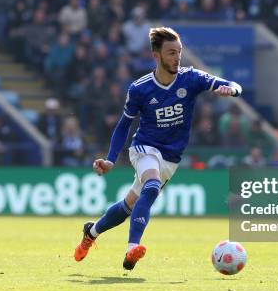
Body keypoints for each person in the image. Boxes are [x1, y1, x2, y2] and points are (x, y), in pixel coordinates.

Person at [73, 27, 242, 270]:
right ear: (156, 55)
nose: (177, 57)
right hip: (144, 148)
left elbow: (230, 83)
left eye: (179, 52)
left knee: (129, 205)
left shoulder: (191, 78)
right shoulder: (140, 89)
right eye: (171, 53)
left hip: (171, 157)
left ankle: (92, 232)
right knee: (150, 186)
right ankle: (132, 248)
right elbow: (124, 125)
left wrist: (231, 90)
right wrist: (111, 159)